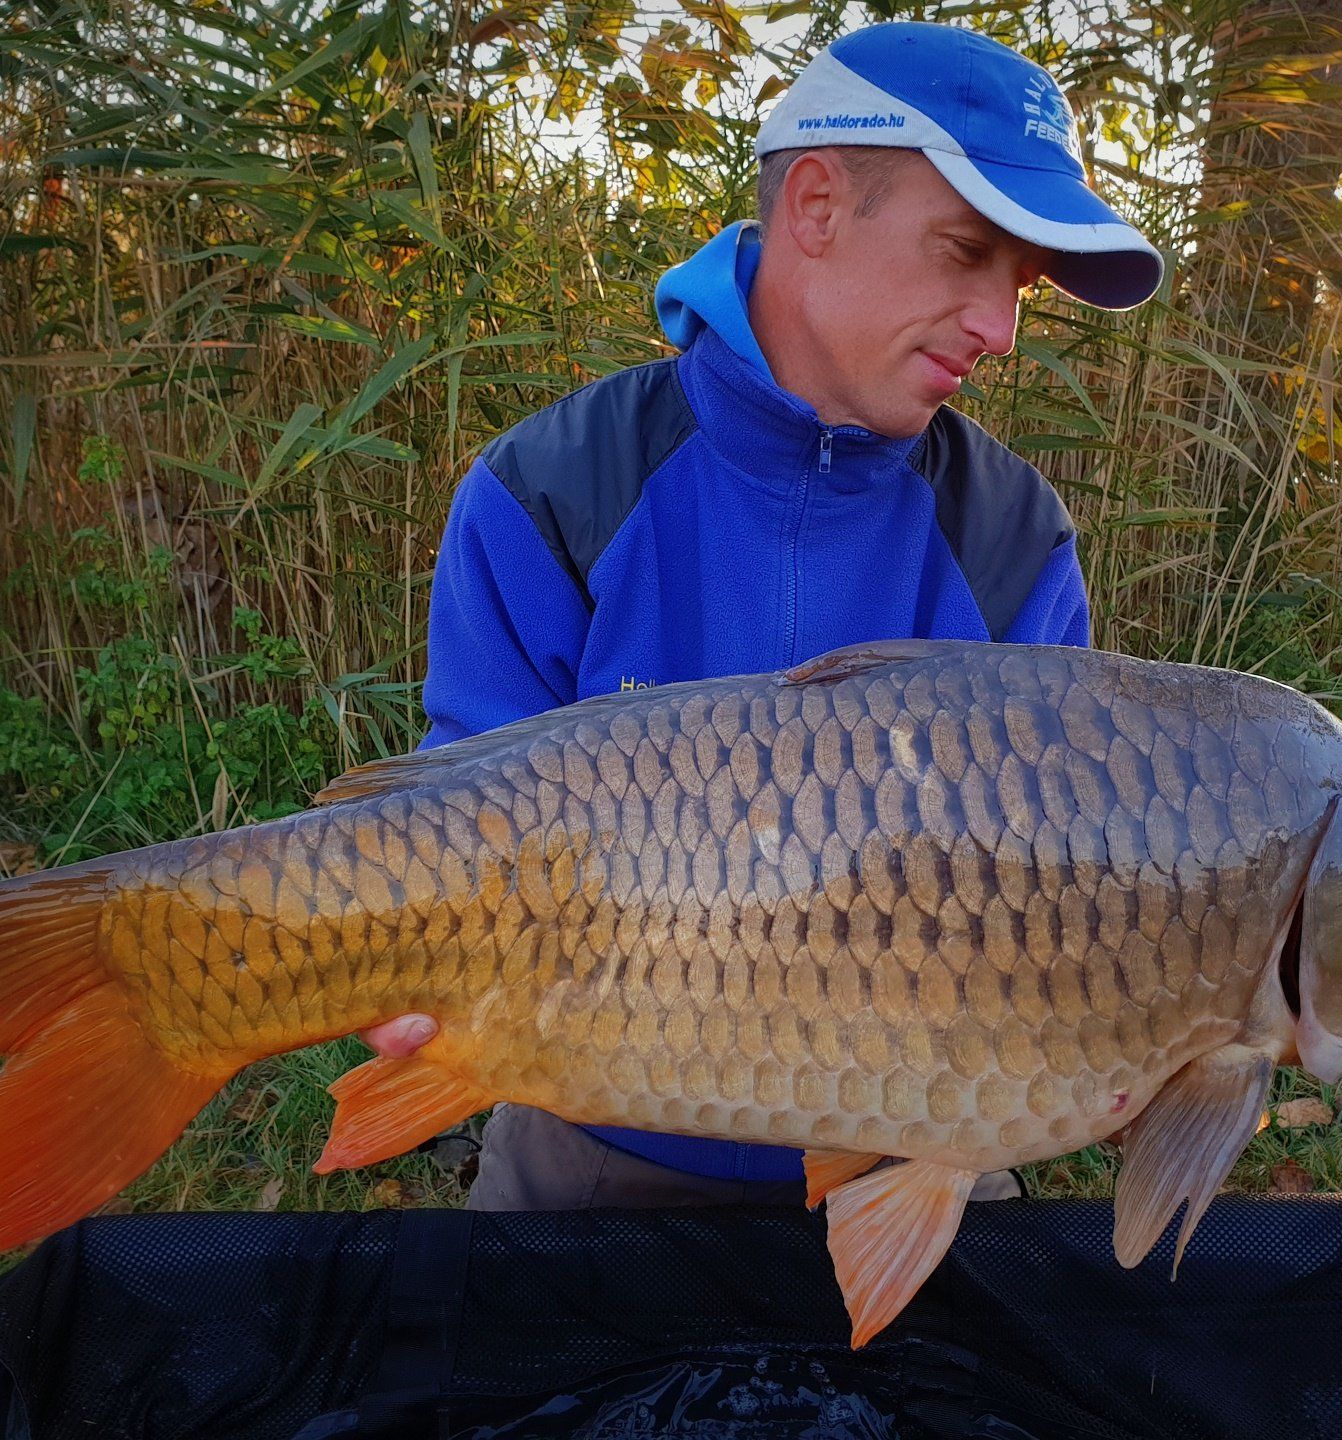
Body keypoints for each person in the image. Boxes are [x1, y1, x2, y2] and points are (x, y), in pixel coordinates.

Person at [358, 20, 1162, 1208]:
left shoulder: (1013, 538)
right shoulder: (552, 490)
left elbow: (1065, 870)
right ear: (819, 207)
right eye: (965, 253)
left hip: (914, 1140)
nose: (999, 327)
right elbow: (458, 821)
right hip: (594, 1127)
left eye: (1022, 286)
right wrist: (403, 964)